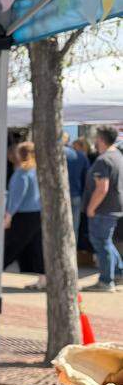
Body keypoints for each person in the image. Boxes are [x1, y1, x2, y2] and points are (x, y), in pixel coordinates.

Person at [83, 125, 123, 292]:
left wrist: (91, 208)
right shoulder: (117, 156)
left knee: (101, 243)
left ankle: (106, 280)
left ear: (100, 139)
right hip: (112, 207)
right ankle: (118, 273)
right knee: (106, 242)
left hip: (103, 209)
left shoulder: (103, 160)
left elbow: (102, 188)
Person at [4, 141, 45, 288]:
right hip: (36, 213)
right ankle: (43, 279)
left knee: (11, 245)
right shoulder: (37, 170)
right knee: (36, 247)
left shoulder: (22, 172)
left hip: (23, 215)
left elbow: (16, 196)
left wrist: (8, 215)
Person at [64, 133, 90, 241]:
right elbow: (87, 178)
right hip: (76, 195)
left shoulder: (57, 154)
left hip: (59, 196)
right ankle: (72, 254)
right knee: (74, 227)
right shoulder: (82, 156)